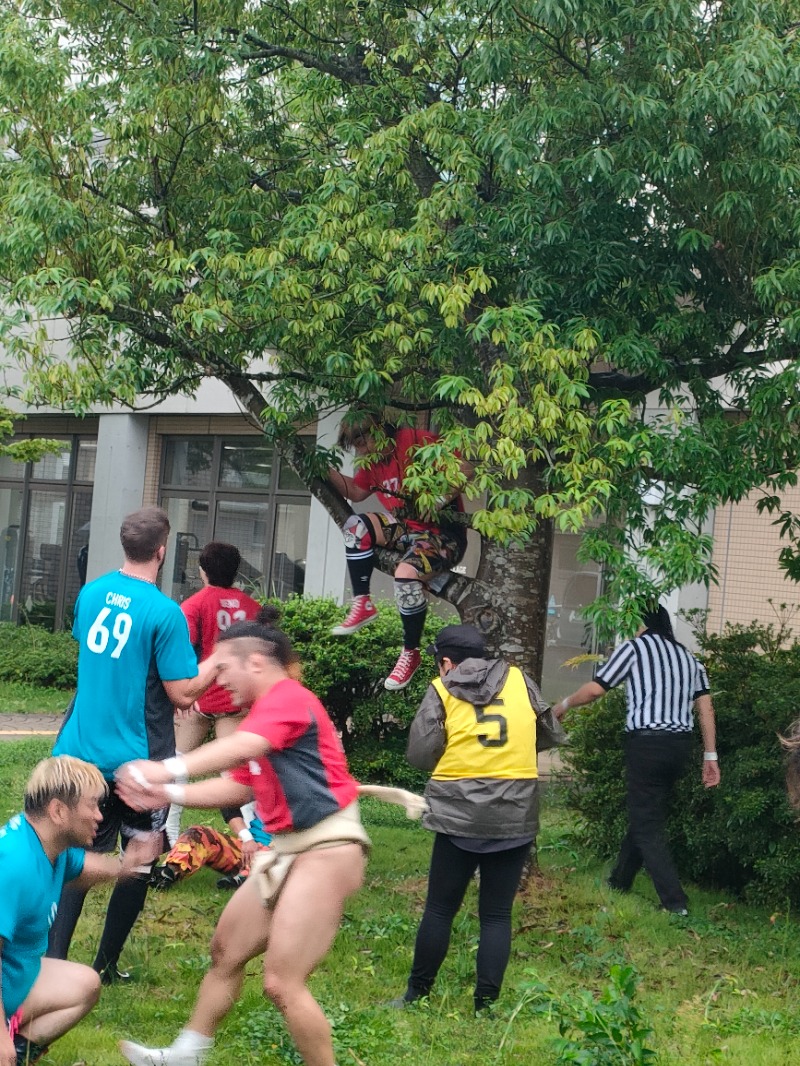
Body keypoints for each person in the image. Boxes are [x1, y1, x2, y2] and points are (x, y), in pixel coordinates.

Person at [115, 616, 370, 1066]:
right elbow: (238, 785)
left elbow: (242, 749)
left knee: (281, 983)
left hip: (328, 847)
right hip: (288, 850)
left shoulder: (288, 699)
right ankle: (184, 1056)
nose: (216, 684)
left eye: (221, 670)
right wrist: (167, 793)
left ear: (254, 662)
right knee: (226, 951)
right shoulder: (263, 717)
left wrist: (167, 769)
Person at [47, 506, 219, 983]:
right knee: (141, 852)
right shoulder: (164, 612)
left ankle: (53, 964)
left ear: (126, 546)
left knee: (78, 862)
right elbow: (182, 692)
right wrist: (220, 663)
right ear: (162, 551)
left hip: (79, 754)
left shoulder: (91, 593)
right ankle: (104, 966)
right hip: (138, 763)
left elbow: (101, 656)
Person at [391, 623, 543, 1013]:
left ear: (446, 661)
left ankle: (416, 994)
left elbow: (420, 755)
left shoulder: (442, 688)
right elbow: (547, 730)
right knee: (496, 914)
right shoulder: (520, 680)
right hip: (515, 809)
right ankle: (486, 1005)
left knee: (440, 908)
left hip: (457, 812)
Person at [553, 603, 721, 915]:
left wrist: (563, 705)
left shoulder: (634, 648)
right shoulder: (688, 657)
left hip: (647, 744)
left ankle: (675, 904)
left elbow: (595, 690)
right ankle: (620, 882)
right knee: (646, 814)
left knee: (647, 824)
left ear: (640, 622)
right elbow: (706, 707)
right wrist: (710, 756)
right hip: (679, 746)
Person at [0, 756, 160, 1066]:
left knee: (84, 984)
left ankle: (15, 1057)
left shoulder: (48, 846)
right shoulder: (14, 864)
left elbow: (85, 867)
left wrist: (126, 866)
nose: (100, 816)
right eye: (92, 806)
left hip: (17, 976)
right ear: (58, 810)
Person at [328, 411, 472, 691]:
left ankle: (410, 652)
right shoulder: (372, 462)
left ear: (380, 432)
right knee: (356, 525)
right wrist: (322, 468)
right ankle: (362, 603)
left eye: (361, 442)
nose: (359, 451)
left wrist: (440, 500)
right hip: (408, 530)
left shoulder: (415, 441)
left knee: (404, 574)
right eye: (355, 446)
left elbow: (465, 469)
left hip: (443, 535)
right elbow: (357, 492)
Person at [165, 541, 261, 846]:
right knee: (236, 774)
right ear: (236, 572)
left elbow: (182, 652)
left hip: (198, 699)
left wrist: (180, 693)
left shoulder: (193, 604)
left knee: (177, 763)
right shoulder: (252, 607)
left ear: (202, 571)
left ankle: (167, 835)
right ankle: (255, 841)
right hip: (236, 701)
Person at [150, 802, 271, 892]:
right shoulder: (260, 776)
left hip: (281, 854)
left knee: (277, 852)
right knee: (197, 834)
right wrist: (247, 838)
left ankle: (244, 879)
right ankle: (169, 872)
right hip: (248, 849)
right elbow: (228, 802)